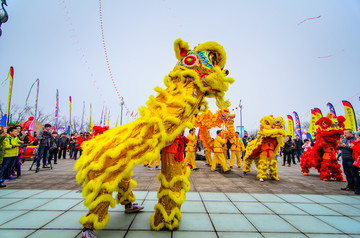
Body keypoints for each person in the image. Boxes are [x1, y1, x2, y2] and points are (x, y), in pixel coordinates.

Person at [338, 129, 359, 194]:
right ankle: (349, 186)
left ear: (351, 134)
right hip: (344, 158)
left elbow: (354, 149)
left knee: (354, 174)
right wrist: (340, 145)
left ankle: (356, 187)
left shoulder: (355, 140)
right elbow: (340, 149)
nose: (344, 134)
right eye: (344, 133)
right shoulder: (344, 139)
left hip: (351, 159)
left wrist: (345, 146)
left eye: (346, 133)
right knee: (347, 173)